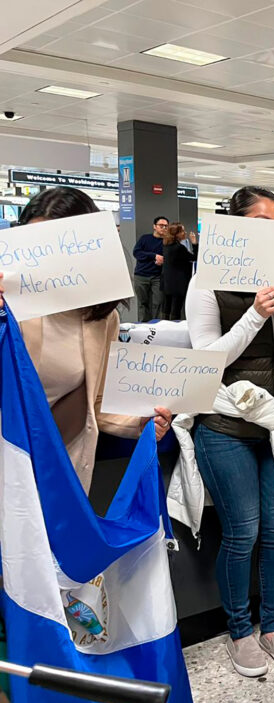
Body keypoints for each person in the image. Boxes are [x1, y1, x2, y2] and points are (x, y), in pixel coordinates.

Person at [187, 186, 274, 677]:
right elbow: (207, 359)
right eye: (264, 222)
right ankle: (240, 631)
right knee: (242, 531)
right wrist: (254, 314)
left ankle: (273, 626)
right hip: (226, 423)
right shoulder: (206, 281)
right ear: (237, 225)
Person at [0, 187, 172, 494]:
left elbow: (97, 401)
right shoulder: (9, 308)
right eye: (35, 245)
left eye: (57, 246)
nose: (44, 259)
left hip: (58, 467)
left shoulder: (101, 319)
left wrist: (141, 424)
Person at [132, 215, 168, 321]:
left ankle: (156, 325)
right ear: (154, 226)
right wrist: (154, 256)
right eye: (161, 225)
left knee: (158, 302)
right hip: (141, 275)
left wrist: (163, 261)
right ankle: (144, 325)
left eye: (166, 226)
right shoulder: (145, 238)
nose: (164, 228)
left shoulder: (167, 242)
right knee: (142, 303)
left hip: (158, 276)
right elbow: (137, 253)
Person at [160, 222, 196, 320]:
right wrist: (194, 243)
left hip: (167, 282)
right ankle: (174, 326)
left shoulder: (166, 246)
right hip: (178, 282)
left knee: (166, 307)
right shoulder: (179, 248)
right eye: (182, 231)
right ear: (176, 234)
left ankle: (165, 325)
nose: (185, 233)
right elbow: (194, 257)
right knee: (176, 308)